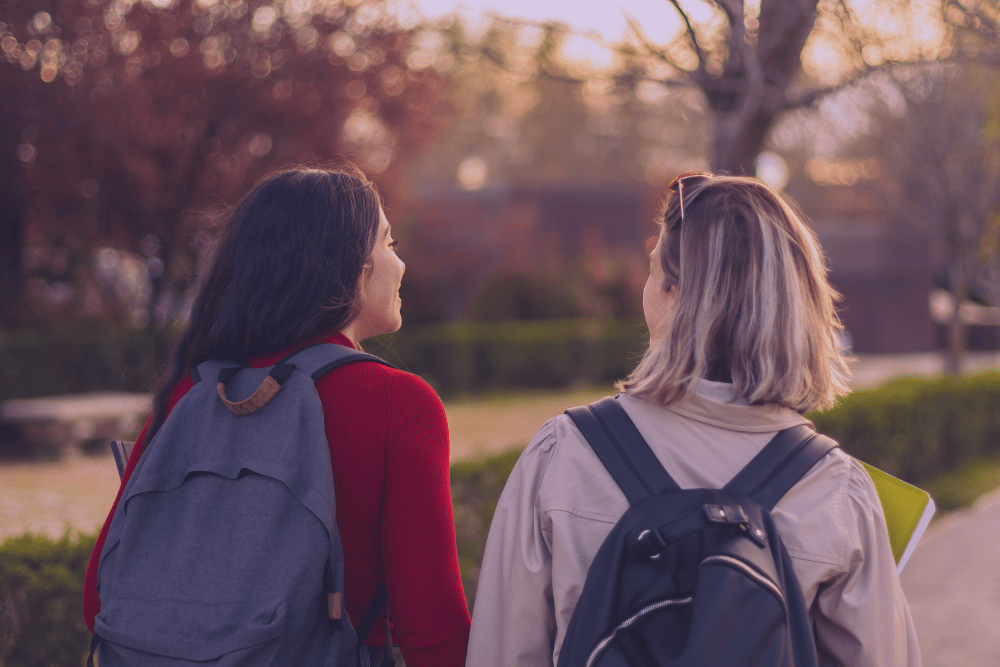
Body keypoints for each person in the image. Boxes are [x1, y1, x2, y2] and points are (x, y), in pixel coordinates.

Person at [466, 173, 921, 667]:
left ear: (675, 293)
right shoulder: (835, 494)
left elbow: (502, 652)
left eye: (651, 269)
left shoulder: (564, 457)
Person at [82, 168, 471, 666]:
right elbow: (433, 631)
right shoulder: (399, 404)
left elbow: (99, 601)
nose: (400, 262)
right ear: (354, 264)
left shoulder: (190, 392)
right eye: (389, 243)